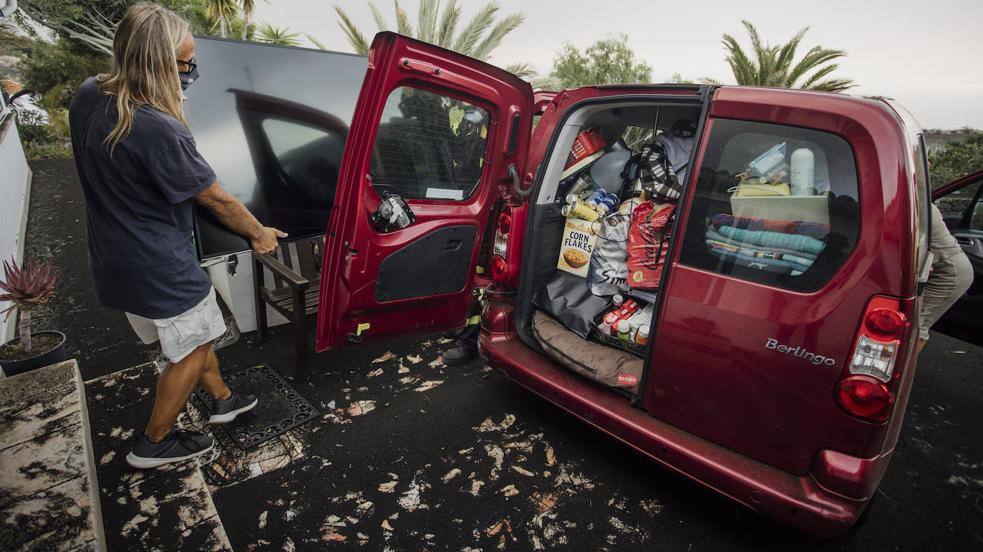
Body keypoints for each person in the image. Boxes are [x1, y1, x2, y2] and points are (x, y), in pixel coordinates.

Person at [68, 3, 286, 469]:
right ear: (154, 63)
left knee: (199, 335)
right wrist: (259, 233)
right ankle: (154, 442)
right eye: (184, 63)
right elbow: (215, 198)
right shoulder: (158, 127)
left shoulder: (89, 95)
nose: (190, 71)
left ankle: (224, 399)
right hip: (160, 264)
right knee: (191, 346)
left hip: (113, 255)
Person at [918, 203, 974, 354]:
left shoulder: (915, 205)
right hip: (944, 265)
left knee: (916, 326)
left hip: (949, 273)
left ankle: (902, 373)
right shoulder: (919, 201)